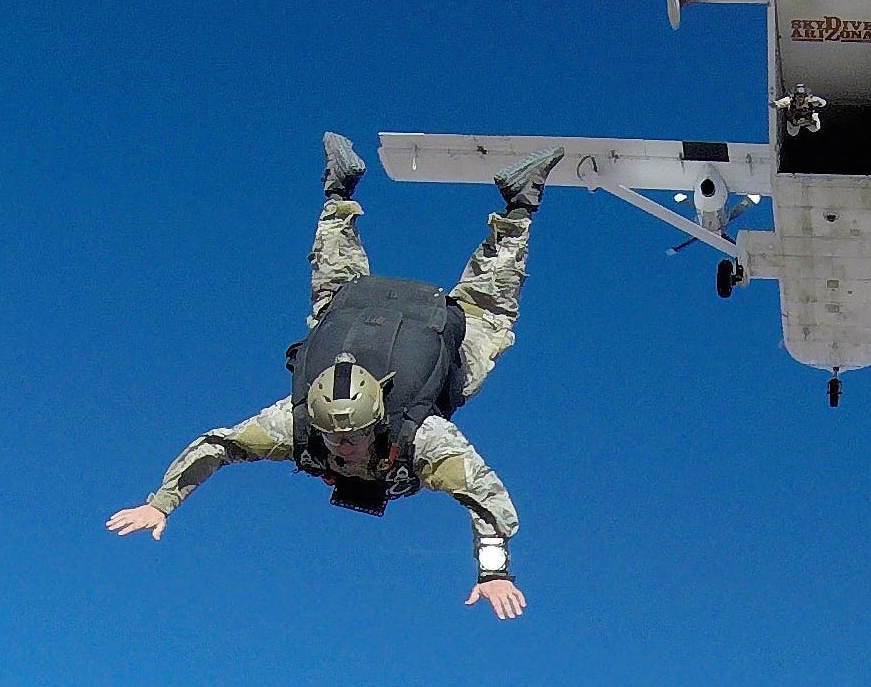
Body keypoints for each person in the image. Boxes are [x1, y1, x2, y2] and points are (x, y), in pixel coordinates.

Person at [106, 133, 563, 621]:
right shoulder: (295, 423)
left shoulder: (425, 439)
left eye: (352, 439)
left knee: (482, 311)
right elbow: (218, 445)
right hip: (353, 338)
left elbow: (484, 497)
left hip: (413, 358)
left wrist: (493, 571)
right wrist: (162, 503)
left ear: (378, 421)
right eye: (335, 438)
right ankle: (344, 191)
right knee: (335, 297)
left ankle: (515, 205)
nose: (341, 447)